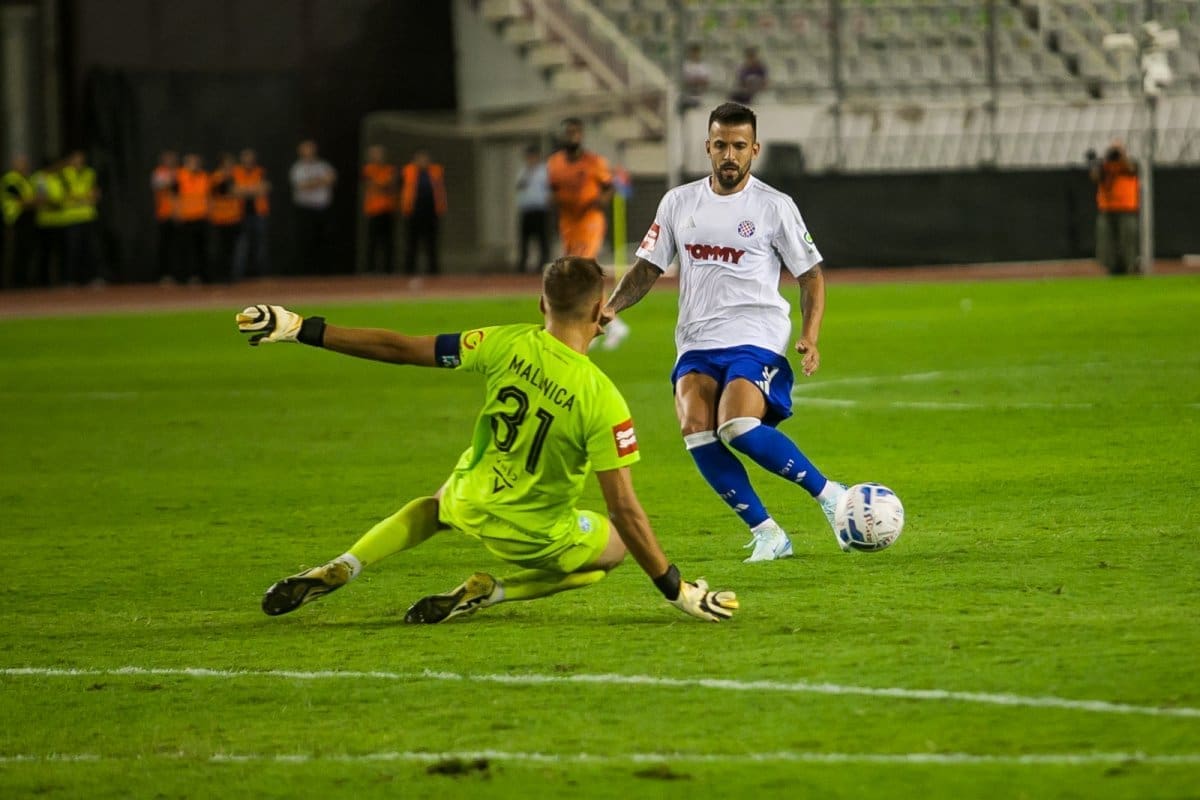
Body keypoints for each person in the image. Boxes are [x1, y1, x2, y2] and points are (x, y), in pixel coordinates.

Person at [236, 256, 738, 625]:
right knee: (612, 547)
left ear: (541, 304)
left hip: (471, 499)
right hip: (535, 535)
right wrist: (676, 588)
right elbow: (624, 509)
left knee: (436, 506)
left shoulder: (502, 342)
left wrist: (302, 328)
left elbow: (402, 348)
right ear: (600, 311)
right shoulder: (603, 399)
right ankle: (494, 591)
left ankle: (347, 563)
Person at [601, 102, 848, 563]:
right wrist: (611, 307)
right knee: (696, 430)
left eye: (738, 146)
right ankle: (768, 533)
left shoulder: (774, 206)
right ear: (707, 147)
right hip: (696, 340)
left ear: (755, 149)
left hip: (756, 335)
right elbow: (648, 266)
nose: (729, 155)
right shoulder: (678, 202)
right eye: (720, 145)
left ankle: (829, 494)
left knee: (737, 426)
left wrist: (811, 335)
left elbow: (811, 275)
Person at [546, 118, 630, 349]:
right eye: (568, 132)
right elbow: (553, 189)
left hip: (589, 221)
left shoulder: (594, 162)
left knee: (582, 271)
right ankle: (607, 323)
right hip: (568, 223)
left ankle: (598, 323)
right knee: (575, 272)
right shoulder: (554, 163)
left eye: (576, 132)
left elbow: (609, 186)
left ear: (581, 135)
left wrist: (601, 201)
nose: (572, 136)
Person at [1088, 139, 1140, 276]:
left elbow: (1132, 169)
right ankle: (1112, 268)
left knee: (1127, 239)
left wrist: (1122, 157)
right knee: (1106, 241)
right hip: (1106, 209)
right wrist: (1100, 162)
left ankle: (1130, 266)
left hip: (1127, 208)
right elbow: (1095, 177)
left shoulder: (1129, 163)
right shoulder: (1104, 165)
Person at [289, 140, 337, 275]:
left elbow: (331, 179)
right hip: (305, 210)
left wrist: (312, 182)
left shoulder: (323, 165)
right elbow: (302, 186)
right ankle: (306, 272)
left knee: (324, 240)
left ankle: (324, 272)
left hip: (322, 209)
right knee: (306, 241)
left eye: (311, 149)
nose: (309, 152)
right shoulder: (297, 168)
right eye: (306, 149)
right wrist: (320, 181)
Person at [60, 150, 106, 286]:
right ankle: (70, 279)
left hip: (88, 216)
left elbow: (96, 194)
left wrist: (86, 197)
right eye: (76, 159)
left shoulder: (90, 173)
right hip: (71, 218)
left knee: (91, 249)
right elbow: (65, 195)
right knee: (72, 250)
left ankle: (93, 278)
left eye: (81, 159)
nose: (78, 161)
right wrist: (85, 197)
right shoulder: (65, 174)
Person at [400, 149, 447, 276]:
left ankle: (433, 270)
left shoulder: (436, 171)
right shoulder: (408, 171)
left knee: (431, 244)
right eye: (420, 159)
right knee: (412, 243)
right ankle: (409, 270)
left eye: (425, 158)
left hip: (431, 213)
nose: (423, 161)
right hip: (413, 212)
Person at [231, 148, 271, 281]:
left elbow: (265, 188)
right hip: (240, 214)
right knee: (241, 246)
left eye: (250, 157)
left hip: (259, 213)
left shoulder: (260, 171)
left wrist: (245, 190)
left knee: (260, 246)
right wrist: (253, 190)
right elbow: (234, 191)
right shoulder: (236, 172)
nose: (248, 160)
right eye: (246, 157)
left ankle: (262, 275)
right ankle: (238, 275)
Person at [174, 153, 210, 284]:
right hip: (186, 217)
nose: (194, 164)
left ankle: (201, 276)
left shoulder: (204, 176)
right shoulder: (179, 175)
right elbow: (175, 196)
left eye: (196, 161)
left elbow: (208, 196)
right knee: (186, 249)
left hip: (200, 216)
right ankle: (186, 276)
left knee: (201, 248)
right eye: (191, 162)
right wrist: (177, 212)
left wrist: (209, 211)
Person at [361, 145, 398, 274]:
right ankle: (370, 269)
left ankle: (389, 269)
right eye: (375, 154)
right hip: (373, 210)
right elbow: (373, 184)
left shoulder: (390, 169)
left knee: (388, 241)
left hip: (388, 209)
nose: (378, 156)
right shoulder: (367, 169)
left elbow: (391, 185)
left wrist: (382, 185)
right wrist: (383, 185)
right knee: (372, 241)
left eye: (380, 153)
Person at [2, 154, 37, 289]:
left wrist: (33, 201)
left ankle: (24, 280)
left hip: (27, 219)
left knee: (26, 250)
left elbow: (32, 199)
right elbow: (23, 200)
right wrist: (33, 201)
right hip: (15, 219)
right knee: (15, 251)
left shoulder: (26, 179)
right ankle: (14, 282)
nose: (24, 166)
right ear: (14, 165)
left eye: (25, 163)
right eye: (21, 163)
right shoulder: (10, 179)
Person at [208, 153, 243, 284]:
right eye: (228, 165)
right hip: (221, 219)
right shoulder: (217, 177)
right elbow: (230, 191)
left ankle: (229, 275)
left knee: (230, 249)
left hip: (233, 218)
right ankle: (220, 275)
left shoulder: (232, 177)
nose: (230, 167)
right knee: (221, 249)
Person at [514, 143, 550, 273]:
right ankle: (522, 264)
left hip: (540, 209)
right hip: (526, 209)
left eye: (532, 156)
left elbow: (550, 188)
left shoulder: (544, 171)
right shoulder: (523, 171)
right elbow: (519, 186)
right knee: (524, 239)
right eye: (528, 156)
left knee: (542, 239)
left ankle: (543, 264)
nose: (530, 159)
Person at [150, 151, 179, 284]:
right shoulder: (159, 172)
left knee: (177, 247)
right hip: (164, 214)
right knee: (164, 246)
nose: (170, 161)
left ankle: (178, 274)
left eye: (172, 159)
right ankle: (164, 275)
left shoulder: (180, 172)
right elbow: (159, 184)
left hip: (179, 214)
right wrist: (172, 177)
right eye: (167, 159)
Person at [681, 43, 712, 112]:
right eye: (693, 53)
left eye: (696, 53)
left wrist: (695, 81)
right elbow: (686, 81)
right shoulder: (686, 65)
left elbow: (706, 81)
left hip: (700, 95)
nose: (695, 55)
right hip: (688, 95)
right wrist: (696, 80)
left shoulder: (704, 66)